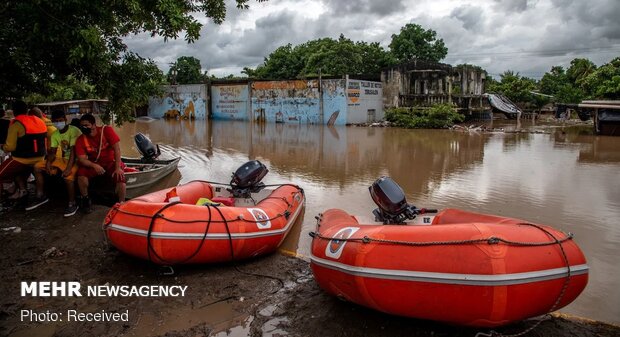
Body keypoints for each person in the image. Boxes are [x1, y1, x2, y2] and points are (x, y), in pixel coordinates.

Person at [26, 110, 82, 216]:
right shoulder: (55, 134)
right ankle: (40, 196)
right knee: (37, 166)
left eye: (60, 120)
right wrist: (48, 163)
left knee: (68, 177)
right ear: (52, 122)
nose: (58, 123)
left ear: (65, 120)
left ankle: (72, 203)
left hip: (77, 160)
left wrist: (68, 168)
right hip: (64, 159)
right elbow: (53, 152)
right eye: (56, 121)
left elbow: (74, 153)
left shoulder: (74, 131)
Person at [74, 114, 125, 212]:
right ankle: (85, 199)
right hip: (95, 163)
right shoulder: (81, 139)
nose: (83, 128)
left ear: (93, 125)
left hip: (111, 162)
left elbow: (117, 149)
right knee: (81, 176)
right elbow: (81, 159)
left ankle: (122, 204)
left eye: (86, 125)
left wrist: (118, 168)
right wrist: (94, 165)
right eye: (82, 126)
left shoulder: (106, 130)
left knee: (120, 176)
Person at [0, 100, 47, 202]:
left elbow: (10, 147)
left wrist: (3, 146)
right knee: (17, 172)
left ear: (14, 111)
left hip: (22, 159)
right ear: (26, 110)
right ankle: (22, 191)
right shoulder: (40, 121)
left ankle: (10, 193)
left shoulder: (16, 124)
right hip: (40, 157)